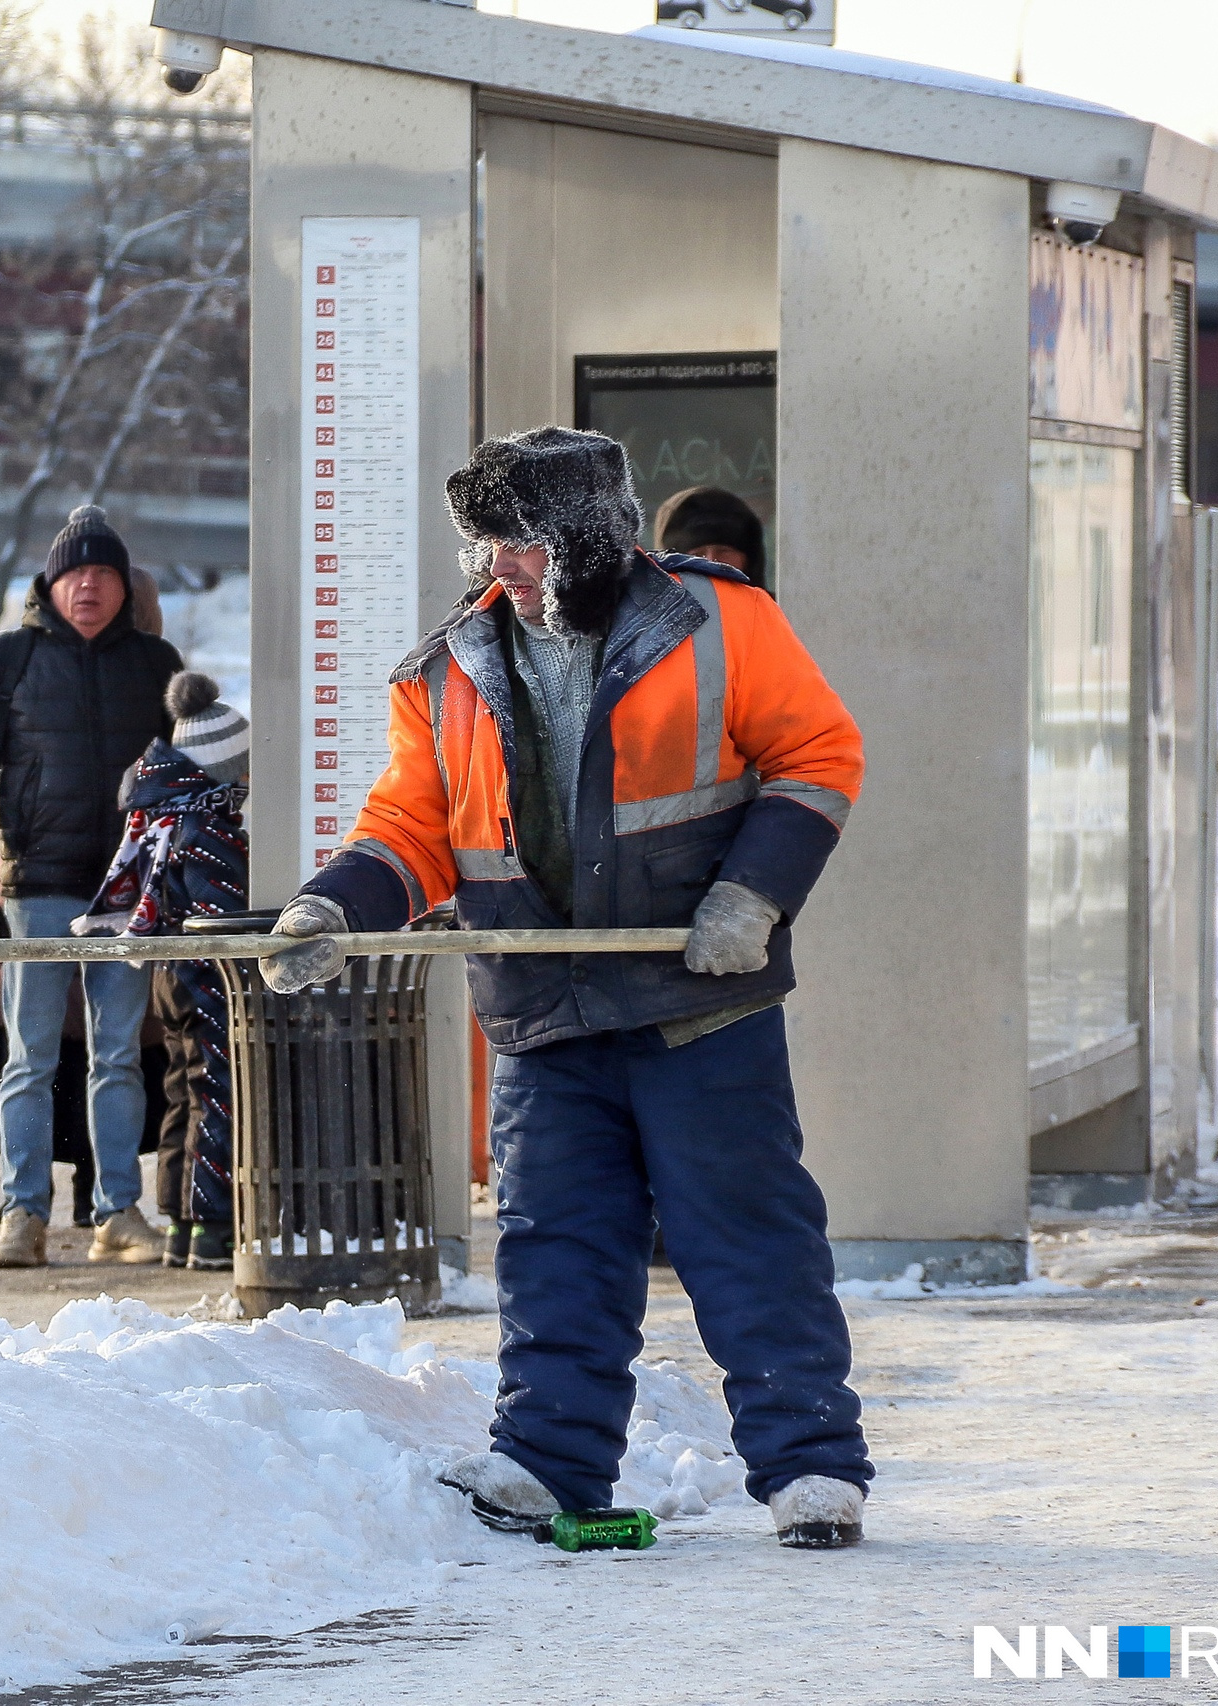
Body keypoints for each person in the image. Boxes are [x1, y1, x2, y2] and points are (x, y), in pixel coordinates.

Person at [268, 426, 872, 1549]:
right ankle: (548, 1460)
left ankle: (809, 1465)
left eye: (520, 543)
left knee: (745, 1230)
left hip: (699, 1001)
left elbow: (817, 756)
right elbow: (410, 827)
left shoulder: (720, 622)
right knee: (554, 1240)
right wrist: (330, 909)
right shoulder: (446, 668)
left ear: (588, 540)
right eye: (485, 543)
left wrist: (752, 896)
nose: (498, 565)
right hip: (544, 1005)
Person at [0, 504, 183, 1269]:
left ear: (123, 587)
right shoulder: (5, 660)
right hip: (36, 891)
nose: (89, 586)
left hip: (127, 898)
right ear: (51, 583)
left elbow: (191, 784)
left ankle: (119, 1211)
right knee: (29, 1057)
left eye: (104, 574)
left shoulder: (155, 665)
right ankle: (23, 1213)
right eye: (75, 573)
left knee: (118, 1054)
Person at [77, 671, 250, 1270]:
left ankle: (179, 1222)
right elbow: (222, 912)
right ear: (224, 772)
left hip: (169, 976)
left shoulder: (163, 817)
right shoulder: (207, 827)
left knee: (182, 1092)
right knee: (218, 1094)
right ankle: (213, 1227)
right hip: (207, 979)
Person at [654, 484, 765, 588]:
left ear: (748, 559)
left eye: (723, 551)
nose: (711, 562)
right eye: (697, 554)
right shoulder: (650, 608)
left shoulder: (771, 607)